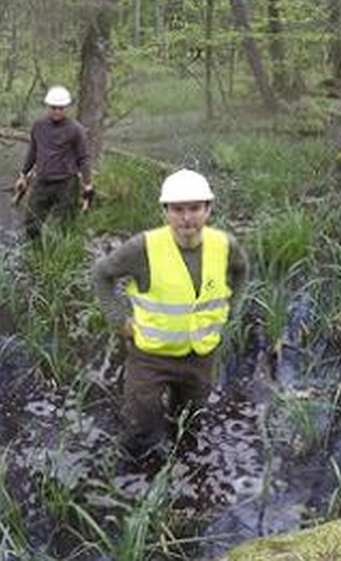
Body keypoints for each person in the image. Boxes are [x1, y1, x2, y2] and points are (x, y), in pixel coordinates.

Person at [91, 169, 249, 461]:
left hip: (200, 355)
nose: (187, 218)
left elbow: (241, 270)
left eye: (195, 208)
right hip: (150, 355)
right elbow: (102, 274)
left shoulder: (224, 245)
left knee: (189, 421)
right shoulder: (143, 247)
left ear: (208, 209)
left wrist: (231, 308)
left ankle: (184, 470)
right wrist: (119, 320)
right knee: (140, 428)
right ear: (165, 212)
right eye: (178, 209)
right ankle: (137, 479)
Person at [14, 85, 93, 241]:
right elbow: (32, 152)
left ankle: (66, 258)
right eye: (53, 107)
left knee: (66, 227)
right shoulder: (38, 126)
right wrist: (23, 175)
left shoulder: (76, 129)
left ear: (66, 108)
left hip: (67, 183)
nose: (57, 111)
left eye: (61, 108)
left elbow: (84, 158)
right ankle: (35, 256)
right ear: (48, 107)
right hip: (42, 181)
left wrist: (88, 183)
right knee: (32, 224)